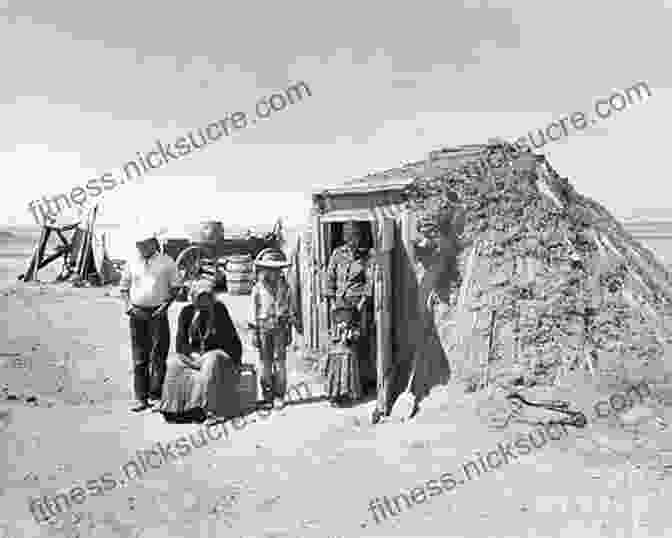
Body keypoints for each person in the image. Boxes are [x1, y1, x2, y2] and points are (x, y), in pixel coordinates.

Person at [159, 278, 243, 424]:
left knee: (211, 360)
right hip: (195, 356)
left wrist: (207, 354)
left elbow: (232, 344)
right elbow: (180, 343)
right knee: (174, 363)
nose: (204, 301)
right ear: (193, 298)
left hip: (219, 355)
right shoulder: (186, 312)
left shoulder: (219, 310)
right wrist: (192, 355)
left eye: (207, 297)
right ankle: (174, 410)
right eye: (200, 297)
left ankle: (208, 410)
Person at [120, 228, 180, 412]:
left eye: (143, 243)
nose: (140, 247)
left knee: (159, 356)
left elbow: (176, 287)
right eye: (138, 244)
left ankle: (157, 396)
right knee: (139, 357)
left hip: (158, 313)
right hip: (137, 313)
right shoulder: (132, 262)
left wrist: (165, 306)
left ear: (153, 243)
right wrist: (127, 306)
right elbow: (124, 287)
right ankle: (141, 398)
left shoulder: (166, 262)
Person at [324, 221, 377, 393]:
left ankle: (359, 383)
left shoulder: (367, 255)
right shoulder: (337, 254)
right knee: (339, 343)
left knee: (358, 342)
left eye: (354, 235)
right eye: (347, 235)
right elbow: (329, 277)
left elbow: (370, 281)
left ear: (359, 236)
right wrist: (332, 301)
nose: (350, 238)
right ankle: (340, 385)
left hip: (357, 304)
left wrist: (363, 302)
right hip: (340, 306)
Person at [248, 248, 293, 410]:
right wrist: (253, 331)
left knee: (280, 362)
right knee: (265, 362)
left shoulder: (285, 287)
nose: (273, 273)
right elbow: (253, 310)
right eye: (270, 269)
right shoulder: (258, 288)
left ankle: (280, 395)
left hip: (280, 327)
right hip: (263, 327)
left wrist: (289, 328)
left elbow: (290, 308)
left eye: (276, 269)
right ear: (264, 270)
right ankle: (267, 395)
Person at [321, 299, 363, 406]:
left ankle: (346, 394)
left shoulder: (352, 324)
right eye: (340, 322)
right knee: (335, 372)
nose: (343, 324)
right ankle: (334, 395)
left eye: (344, 322)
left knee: (347, 370)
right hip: (336, 351)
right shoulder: (335, 326)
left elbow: (355, 333)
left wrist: (350, 334)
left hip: (347, 350)